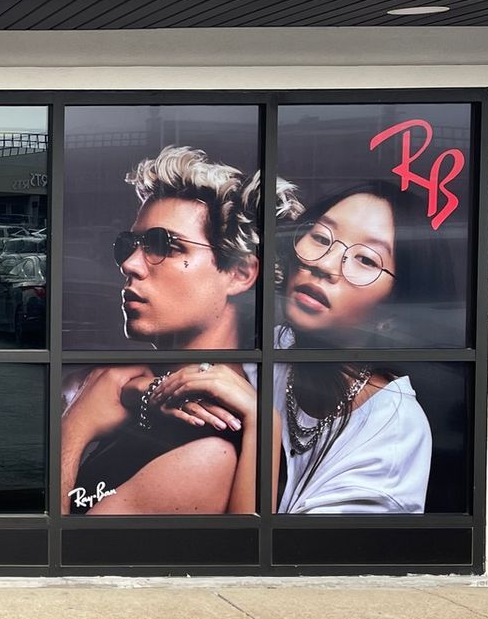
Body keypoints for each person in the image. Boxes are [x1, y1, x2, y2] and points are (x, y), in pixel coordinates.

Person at [143, 181, 453, 513]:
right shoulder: (272, 345)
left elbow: (282, 560)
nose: (324, 264)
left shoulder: (394, 430)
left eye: (365, 259)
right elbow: (157, 378)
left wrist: (263, 424)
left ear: (394, 312)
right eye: (320, 238)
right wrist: (148, 393)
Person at [60, 146, 288, 515]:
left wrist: (72, 432)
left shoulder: (209, 453)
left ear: (239, 274)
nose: (130, 264)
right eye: (129, 245)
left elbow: (58, 563)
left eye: (163, 246)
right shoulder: (144, 397)